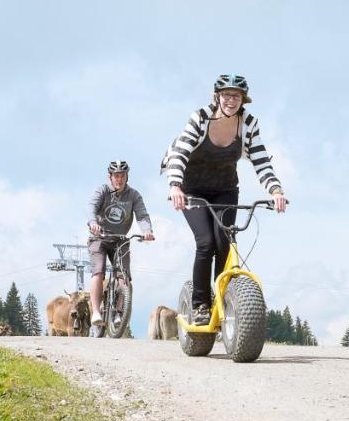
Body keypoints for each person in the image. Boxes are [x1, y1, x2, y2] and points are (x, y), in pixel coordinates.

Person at [164, 75, 287, 323]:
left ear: (243, 100)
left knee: (224, 244)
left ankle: (222, 302)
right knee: (206, 243)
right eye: (227, 95)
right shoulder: (200, 117)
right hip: (192, 189)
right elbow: (180, 152)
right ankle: (200, 305)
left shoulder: (248, 123)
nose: (231, 100)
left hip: (225, 189)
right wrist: (176, 186)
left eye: (237, 96)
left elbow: (261, 160)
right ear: (217, 96)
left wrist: (276, 191)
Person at [87, 161, 154, 327]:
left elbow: (142, 215)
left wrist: (147, 230)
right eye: (116, 176)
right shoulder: (103, 191)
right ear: (110, 177)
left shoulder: (134, 195)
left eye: (122, 176)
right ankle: (96, 311)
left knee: (123, 277)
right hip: (100, 237)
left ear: (127, 176)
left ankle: (118, 313)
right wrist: (93, 222)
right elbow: (91, 208)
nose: (119, 179)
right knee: (99, 272)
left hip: (120, 240)